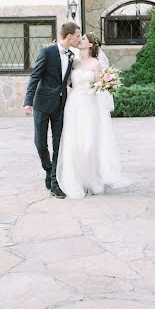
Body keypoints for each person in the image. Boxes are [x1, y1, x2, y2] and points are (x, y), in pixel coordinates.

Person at [56, 32, 128, 199]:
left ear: (90, 45)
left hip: (90, 106)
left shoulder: (96, 64)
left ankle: (91, 179)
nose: (79, 40)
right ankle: (76, 181)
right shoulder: (73, 63)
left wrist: (106, 83)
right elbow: (66, 82)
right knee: (74, 143)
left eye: (82, 39)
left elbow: (101, 86)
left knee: (88, 144)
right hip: (74, 105)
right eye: (79, 38)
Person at [23, 21, 81, 199]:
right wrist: (28, 102)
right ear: (69, 36)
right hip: (41, 104)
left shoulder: (72, 55)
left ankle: (55, 182)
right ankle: (48, 170)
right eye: (77, 36)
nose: (79, 39)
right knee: (40, 143)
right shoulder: (47, 52)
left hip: (61, 105)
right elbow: (35, 76)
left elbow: (70, 80)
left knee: (58, 145)